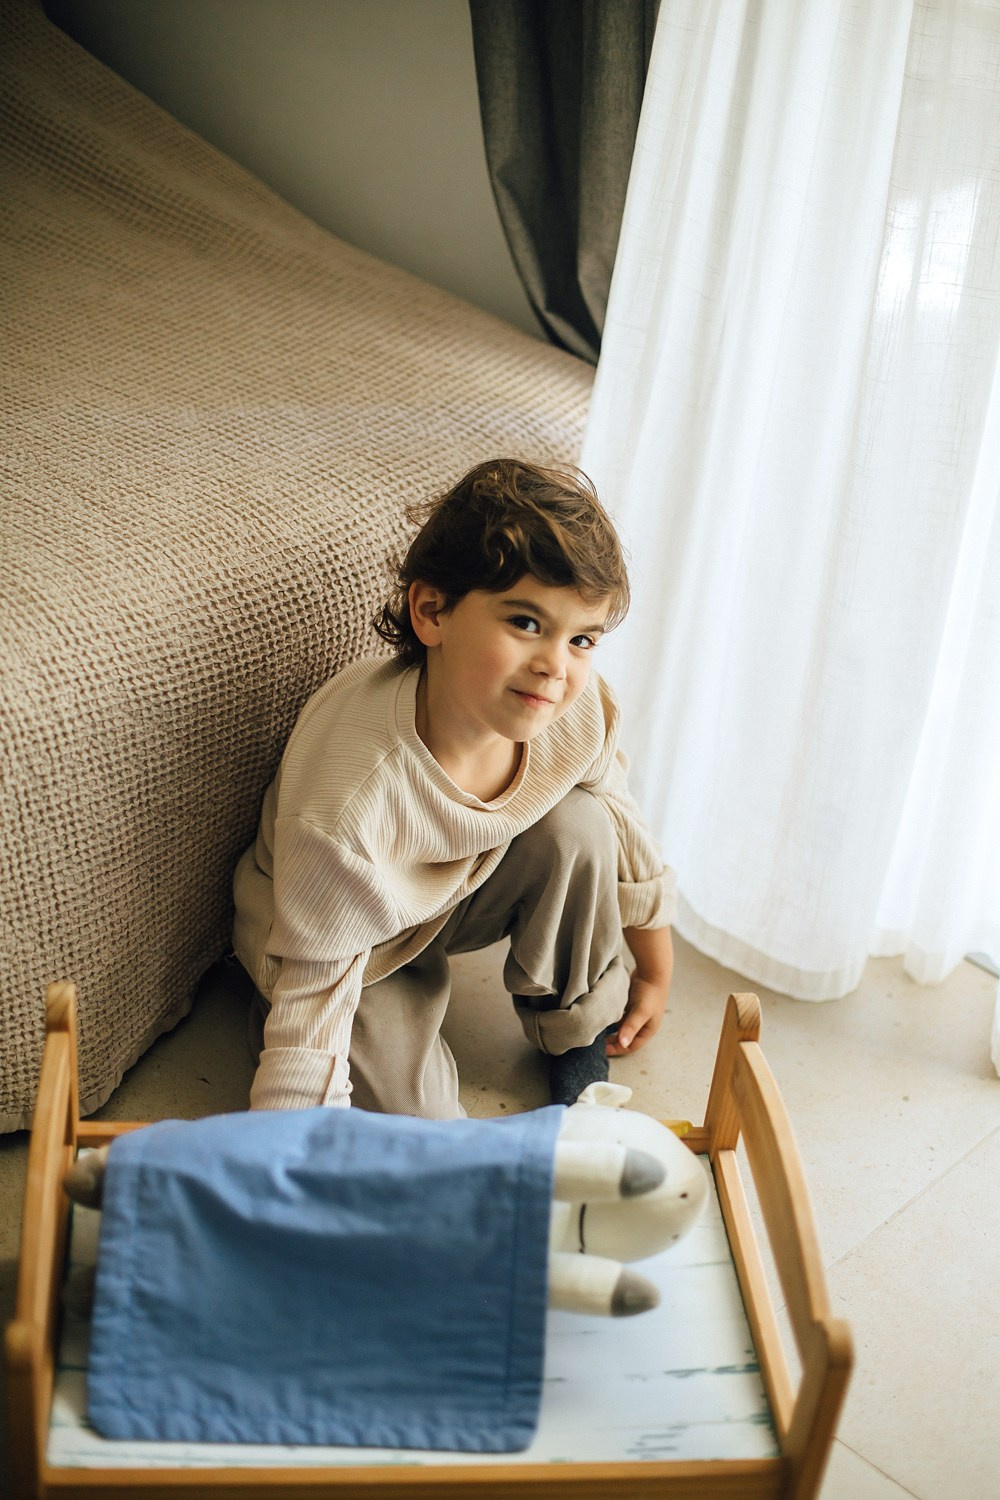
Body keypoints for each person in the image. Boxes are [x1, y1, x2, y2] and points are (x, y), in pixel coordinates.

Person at [232, 458, 676, 1116]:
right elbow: (315, 994)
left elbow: (618, 814)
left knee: (581, 827)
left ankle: (573, 1032)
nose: (555, 666)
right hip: (346, 942)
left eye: (581, 638)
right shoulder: (352, 803)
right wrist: (292, 1120)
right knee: (419, 1132)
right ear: (432, 611)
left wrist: (655, 968)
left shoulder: (570, 711)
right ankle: (285, 1026)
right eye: (526, 623)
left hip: (460, 881)